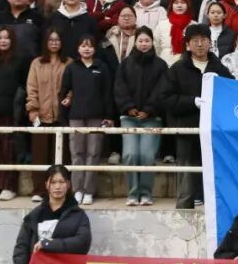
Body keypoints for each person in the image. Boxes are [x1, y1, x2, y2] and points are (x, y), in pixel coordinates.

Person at [161, 24, 234, 208]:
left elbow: (231, 96)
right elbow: (166, 99)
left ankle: (214, 209)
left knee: (213, 171)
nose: (200, 44)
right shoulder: (177, 69)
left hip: (213, 130)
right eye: (195, 41)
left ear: (210, 43)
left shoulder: (220, 69)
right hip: (187, 129)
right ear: (188, 44)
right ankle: (184, 209)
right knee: (186, 174)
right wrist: (192, 102)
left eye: (204, 40)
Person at [113, 27, 168, 206]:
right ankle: (132, 193)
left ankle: (146, 193)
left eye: (147, 41)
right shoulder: (125, 64)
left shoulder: (160, 65)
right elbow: (119, 88)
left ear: (152, 42)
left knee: (147, 156)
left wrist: (149, 109)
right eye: (140, 41)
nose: (144, 44)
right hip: (129, 118)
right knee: (130, 154)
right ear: (135, 42)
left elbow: (162, 90)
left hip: (152, 118)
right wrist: (129, 107)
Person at [59, 35, 113, 205]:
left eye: (89, 46)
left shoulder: (102, 67)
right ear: (78, 48)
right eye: (83, 46)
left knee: (93, 153)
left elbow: (107, 93)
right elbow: (63, 91)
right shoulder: (71, 67)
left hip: (96, 116)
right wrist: (63, 112)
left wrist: (109, 116)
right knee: (76, 153)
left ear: (95, 49)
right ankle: (77, 190)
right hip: (76, 116)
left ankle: (89, 191)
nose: (86, 49)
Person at [0, 25, 27, 201]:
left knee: (8, 149)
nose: (3, 41)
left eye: (6, 37)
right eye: (0, 38)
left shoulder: (19, 59)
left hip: (11, 111)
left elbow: (23, 85)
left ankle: (9, 186)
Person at [26, 29, 71, 202]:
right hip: (41, 115)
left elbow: (73, 86)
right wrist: (32, 109)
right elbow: (31, 88)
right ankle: (39, 190)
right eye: (51, 40)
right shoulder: (37, 63)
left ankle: (63, 191)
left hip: (62, 115)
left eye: (57, 40)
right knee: (40, 155)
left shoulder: (69, 62)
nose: (54, 43)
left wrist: (69, 97)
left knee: (62, 156)